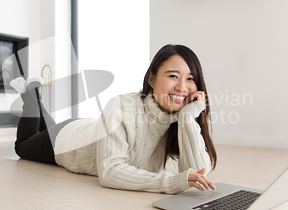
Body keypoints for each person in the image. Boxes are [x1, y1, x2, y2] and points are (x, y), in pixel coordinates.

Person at [11, 44, 217, 194]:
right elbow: (110, 171)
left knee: (48, 127)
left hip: (89, 128)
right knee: (22, 146)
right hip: (66, 141)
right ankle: (30, 94)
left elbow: (200, 175)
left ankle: (35, 95)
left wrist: (189, 118)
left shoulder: (179, 118)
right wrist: (171, 182)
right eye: (173, 76)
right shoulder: (120, 105)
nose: (182, 87)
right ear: (152, 79)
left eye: (190, 78)